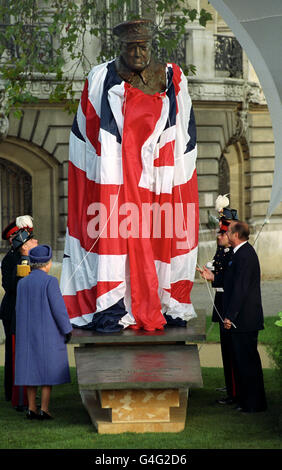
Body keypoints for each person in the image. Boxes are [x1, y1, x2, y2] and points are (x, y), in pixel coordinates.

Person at [60, 18, 199, 332]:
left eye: (142, 46)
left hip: (160, 174)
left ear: (150, 46)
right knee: (116, 232)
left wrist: (175, 168)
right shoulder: (101, 77)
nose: (137, 52)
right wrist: (105, 174)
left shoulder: (171, 76)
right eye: (130, 47)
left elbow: (184, 128)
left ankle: (166, 299)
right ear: (120, 47)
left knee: (164, 230)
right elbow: (88, 134)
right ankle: (114, 302)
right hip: (117, 172)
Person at [15, 244, 73, 420]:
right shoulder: (50, 282)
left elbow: (18, 309)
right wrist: (67, 329)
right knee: (48, 372)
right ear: (47, 264)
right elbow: (59, 310)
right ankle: (45, 409)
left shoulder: (22, 282)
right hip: (48, 334)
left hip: (27, 334)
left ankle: (32, 408)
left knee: (30, 371)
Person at [223, 220, 267, 413]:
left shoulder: (246, 254)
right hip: (242, 319)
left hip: (245, 319)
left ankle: (254, 403)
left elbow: (240, 289)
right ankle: (245, 400)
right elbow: (231, 281)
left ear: (236, 235)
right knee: (241, 362)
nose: (227, 234)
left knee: (248, 362)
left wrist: (230, 316)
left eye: (229, 232)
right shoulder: (239, 253)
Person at [0, 216, 37, 409]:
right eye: (25, 236)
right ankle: (13, 392)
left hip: (25, 309)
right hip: (12, 310)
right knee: (13, 353)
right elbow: (10, 286)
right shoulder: (10, 259)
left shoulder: (31, 256)